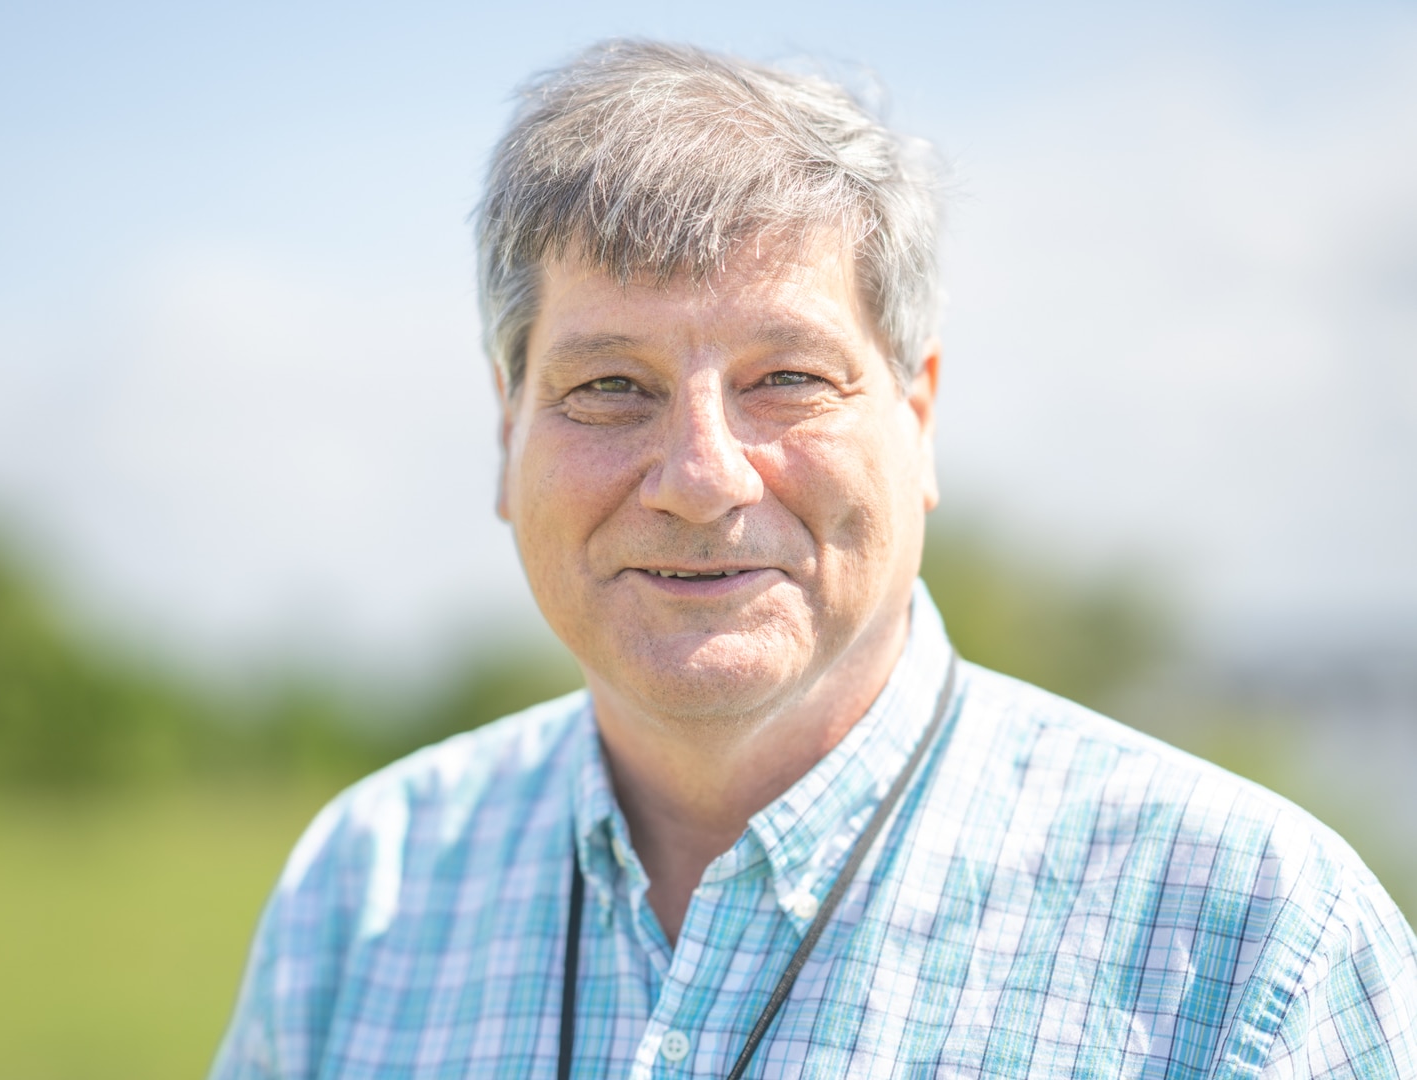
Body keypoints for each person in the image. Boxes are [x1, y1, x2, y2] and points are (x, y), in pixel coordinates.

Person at [210, 40, 1417, 1079]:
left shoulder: (1256, 939)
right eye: (608, 386)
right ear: (504, 427)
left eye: (786, 378)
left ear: (920, 415)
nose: (700, 477)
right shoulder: (363, 893)